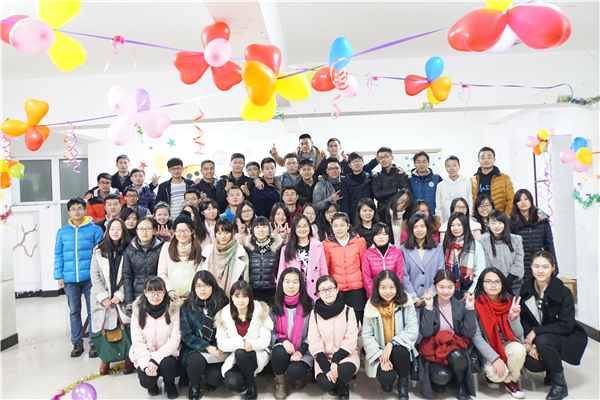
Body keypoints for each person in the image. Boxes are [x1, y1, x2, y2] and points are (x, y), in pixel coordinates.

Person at [520, 251, 587, 400]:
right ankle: (550, 369)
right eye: (536, 266)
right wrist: (532, 343)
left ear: (553, 268)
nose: (540, 271)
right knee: (532, 363)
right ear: (531, 267)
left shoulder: (563, 292)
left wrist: (535, 332)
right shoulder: (526, 290)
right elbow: (524, 319)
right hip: (540, 338)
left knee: (544, 341)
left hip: (566, 336)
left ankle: (560, 385)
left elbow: (566, 325)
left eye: (545, 267)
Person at [54, 198, 104, 358]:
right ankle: (76, 342)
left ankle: (94, 342)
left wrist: (100, 275)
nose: (76, 211)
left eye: (79, 208)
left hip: (90, 278)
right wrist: (59, 275)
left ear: (84, 210)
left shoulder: (95, 230)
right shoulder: (62, 232)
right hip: (70, 278)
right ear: (69, 212)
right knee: (74, 311)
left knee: (92, 310)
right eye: (73, 209)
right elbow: (58, 254)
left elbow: (100, 254)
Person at [418, 270, 477, 400]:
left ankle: (460, 384)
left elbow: (469, 333)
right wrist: (429, 308)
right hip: (433, 350)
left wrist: (469, 309)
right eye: (441, 287)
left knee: (456, 355)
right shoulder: (427, 304)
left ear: (455, 286)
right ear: (435, 287)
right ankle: (445, 378)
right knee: (441, 377)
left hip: (455, 349)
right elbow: (426, 332)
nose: (446, 291)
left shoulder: (460, 305)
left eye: (450, 287)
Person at [472, 267, 527, 399]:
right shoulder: (474, 303)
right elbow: (477, 337)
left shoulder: (510, 301)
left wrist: (512, 317)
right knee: (496, 376)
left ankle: (511, 381)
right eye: (488, 281)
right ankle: (496, 377)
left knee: (519, 349)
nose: (493, 285)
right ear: (482, 284)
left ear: (502, 284)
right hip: (488, 346)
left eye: (497, 282)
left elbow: (519, 334)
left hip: (507, 343)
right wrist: (494, 358)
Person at [362, 270, 418, 400]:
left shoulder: (406, 301)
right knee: (387, 379)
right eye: (383, 287)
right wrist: (380, 355)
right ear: (377, 288)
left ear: (397, 287)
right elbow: (367, 335)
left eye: (392, 287)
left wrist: (392, 343)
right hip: (380, 351)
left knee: (400, 352)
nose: (388, 291)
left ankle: (403, 385)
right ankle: (387, 381)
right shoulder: (371, 305)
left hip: (399, 347)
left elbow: (412, 329)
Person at [215, 281, 274, 400]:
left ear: (250, 297)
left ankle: (252, 385)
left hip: (256, 353)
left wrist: (248, 345)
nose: (240, 300)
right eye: (237, 296)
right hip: (236, 357)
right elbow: (221, 342)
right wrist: (241, 344)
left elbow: (265, 340)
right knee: (232, 383)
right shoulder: (224, 314)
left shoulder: (260, 311)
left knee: (241, 353)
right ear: (231, 297)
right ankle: (245, 378)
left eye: (244, 296)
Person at [90, 218, 133, 375]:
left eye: (118, 229)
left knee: (124, 326)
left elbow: (129, 274)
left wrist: (120, 294)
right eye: (112, 228)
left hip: (121, 296)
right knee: (104, 328)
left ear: (123, 231)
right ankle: (106, 358)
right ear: (108, 231)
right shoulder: (98, 249)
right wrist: (103, 296)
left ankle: (128, 357)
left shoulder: (129, 248)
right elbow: (94, 274)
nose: (115, 232)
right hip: (101, 297)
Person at [130, 277, 183, 399]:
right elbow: (138, 342)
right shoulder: (137, 312)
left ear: (165, 293)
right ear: (145, 293)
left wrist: (155, 359)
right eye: (152, 292)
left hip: (167, 354)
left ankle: (169, 384)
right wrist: (146, 365)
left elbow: (175, 339)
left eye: (159, 292)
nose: (156, 296)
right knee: (146, 381)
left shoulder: (174, 309)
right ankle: (152, 385)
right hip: (145, 355)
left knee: (168, 366)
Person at [308, 275, 360, 400]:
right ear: (318, 294)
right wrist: (327, 368)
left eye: (330, 288)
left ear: (337, 290)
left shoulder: (348, 311)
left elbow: (351, 338)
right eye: (323, 290)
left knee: (345, 370)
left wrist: (335, 361)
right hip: (324, 356)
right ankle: (334, 381)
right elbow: (314, 341)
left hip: (346, 355)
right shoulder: (314, 314)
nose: (328, 293)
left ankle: (343, 384)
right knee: (325, 383)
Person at [180, 271, 229, 400]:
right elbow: (186, 335)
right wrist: (206, 347)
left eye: (206, 285)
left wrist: (215, 348)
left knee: (214, 378)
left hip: (217, 347)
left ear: (213, 286)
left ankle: (209, 378)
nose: (202, 289)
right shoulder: (187, 306)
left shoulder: (222, 304)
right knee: (195, 362)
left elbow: (227, 331)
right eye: (198, 286)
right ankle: (194, 385)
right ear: (193, 288)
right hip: (193, 347)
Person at [270, 268, 314, 399]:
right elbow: (271, 331)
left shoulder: (309, 304)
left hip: (303, 349)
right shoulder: (274, 304)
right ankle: (280, 383)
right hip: (281, 345)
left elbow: (313, 332)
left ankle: (297, 376)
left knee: (295, 371)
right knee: (278, 353)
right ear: (281, 283)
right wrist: (283, 341)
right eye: (287, 282)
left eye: (295, 282)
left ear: (301, 284)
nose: (291, 286)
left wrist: (301, 351)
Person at [323, 212, 368, 324]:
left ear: (348, 226)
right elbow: (327, 268)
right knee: (340, 321)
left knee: (356, 321)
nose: (339, 229)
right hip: (338, 289)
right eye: (335, 225)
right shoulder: (326, 244)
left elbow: (364, 266)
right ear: (331, 226)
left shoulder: (359, 242)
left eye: (342, 225)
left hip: (357, 289)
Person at [509, 189, 558, 282]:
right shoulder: (511, 222)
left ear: (531, 200)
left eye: (526, 199)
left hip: (539, 263)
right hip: (520, 264)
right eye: (519, 200)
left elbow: (549, 245)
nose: (523, 202)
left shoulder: (542, 220)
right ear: (516, 203)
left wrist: (554, 267)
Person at [278, 214, 328, 301]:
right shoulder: (286, 249)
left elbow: (323, 272)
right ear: (294, 229)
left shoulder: (318, 245)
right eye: (299, 226)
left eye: (305, 226)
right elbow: (281, 273)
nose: (302, 229)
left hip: (314, 292)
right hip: (293, 292)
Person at [400, 213, 445, 310]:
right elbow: (404, 275)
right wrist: (414, 298)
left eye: (422, 226)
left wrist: (429, 295)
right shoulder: (403, 249)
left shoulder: (437, 248)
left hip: (433, 299)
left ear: (427, 228)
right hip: (411, 301)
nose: (419, 230)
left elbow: (440, 272)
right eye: (415, 227)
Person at [158, 211, 204, 300]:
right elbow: (162, 273)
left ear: (192, 231)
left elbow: (199, 274)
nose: (182, 234)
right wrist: (170, 291)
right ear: (174, 232)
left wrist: (189, 292)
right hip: (170, 296)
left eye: (186, 230)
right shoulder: (167, 247)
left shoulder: (199, 248)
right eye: (179, 230)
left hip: (192, 295)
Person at [123, 217, 165, 312]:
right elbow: (127, 276)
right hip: (137, 294)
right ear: (137, 230)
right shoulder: (130, 249)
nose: (144, 232)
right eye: (141, 229)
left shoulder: (162, 247)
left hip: (157, 294)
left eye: (148, 228)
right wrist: (129, 301)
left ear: (154, 230)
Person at [442, 213, 486, 300]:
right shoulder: (443, 246)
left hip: (470, 292)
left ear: (465, 226)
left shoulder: (476, 246)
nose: (456, 228)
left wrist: (470, 292)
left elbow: (480, 273)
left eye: (459, 225)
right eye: (452, 225)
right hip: (447, 292)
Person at [480, 209, 524, 297]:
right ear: (488, 224)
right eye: (493, 223)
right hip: (493, 285)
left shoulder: (516, 239)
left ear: (504, 223)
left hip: (514, 283)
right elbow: (487, 266)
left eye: (500, 223)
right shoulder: (483, 243)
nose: (497, 226)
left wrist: (506, 282)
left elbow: (518, 263)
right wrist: (497, 282)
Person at [202, 219, 249, 295]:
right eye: (219, 233)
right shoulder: (208, 250)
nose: (223, 236)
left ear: (232, 233)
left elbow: (246, 277)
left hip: (234, 294)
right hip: (211, 294)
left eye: (226, 233)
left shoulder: (240, 251)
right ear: (215, 234)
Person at [244, 217, 284, 303]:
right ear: (252, 230)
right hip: (252, 292)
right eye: (257, 227)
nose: (260, 230)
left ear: (269, 229)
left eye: (264, 227)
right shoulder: (247, 248)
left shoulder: (278, 247)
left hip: (273, 292)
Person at [361, 223, 405, 298]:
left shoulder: (397, 252)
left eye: (384, 234)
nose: (381, 237)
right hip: (375, 295)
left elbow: (399, 275)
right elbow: (367, 278)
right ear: (373, 237)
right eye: (377, 234)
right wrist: (374, 296)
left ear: (388, 236)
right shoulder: (367, 255)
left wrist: (394, 292)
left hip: (394, 294)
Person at [471, 147, 514, 216]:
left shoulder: (505, 179)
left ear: (494, 159)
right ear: (478, 160)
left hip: (497, 217)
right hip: (478, 218)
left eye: (489, 157)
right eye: (483, 158)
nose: (486, 160)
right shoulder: (473, 180)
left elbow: (511, 200)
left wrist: (504, 217)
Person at [372, 147, 410, 220]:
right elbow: (377, 194)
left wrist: (385, 196)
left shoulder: (402, 175)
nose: (383, 160)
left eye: (386, 156)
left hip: (400, 213)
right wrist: (395, 190)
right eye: (380, 158)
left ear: (392, 157)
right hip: (382, 213)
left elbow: (405, 194)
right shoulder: (376, 177)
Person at [436, 156, 473, 223]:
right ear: (445, 168)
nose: (451, 168)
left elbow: (470, 204)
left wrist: (467, 221)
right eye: (448, 166)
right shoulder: (441, 185)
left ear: (459, 166)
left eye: (454, 165)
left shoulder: (467, 183)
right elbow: (438, 207)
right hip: (446, 222)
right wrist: (441, 223)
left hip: (464, 222)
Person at [341, 152, 373, 224]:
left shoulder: (370, 177)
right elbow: (344, 203)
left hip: (369, 213)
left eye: (359, 161)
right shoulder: (346, 180)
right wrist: (347, 220)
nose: (356, 163)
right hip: (353, 215)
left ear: (363, 162)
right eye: (353, 161)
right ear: (349, 165)